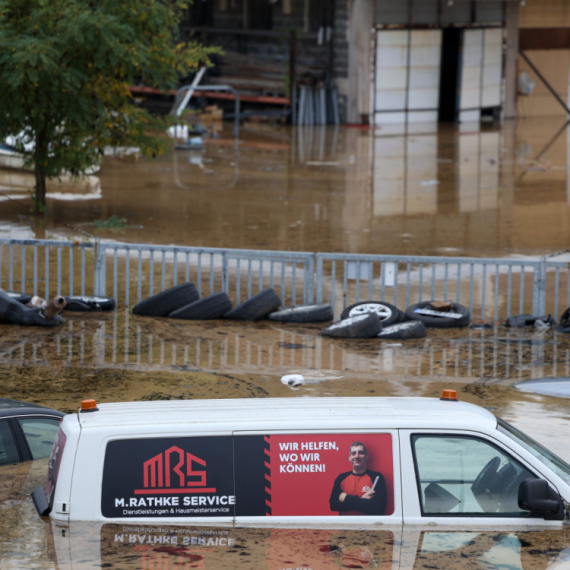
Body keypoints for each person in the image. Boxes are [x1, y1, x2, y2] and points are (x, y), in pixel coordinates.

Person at [329, 441, 387, 516]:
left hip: (370, 526)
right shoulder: (341, 478)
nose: (357, 456)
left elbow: (379, 508)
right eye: (353, 453)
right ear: (349, 458)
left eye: (361, 452)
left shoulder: (376, 477)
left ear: (366, 456)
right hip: (346, 526)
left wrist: (346, 498)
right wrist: (363, 501)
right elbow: (333, 505)